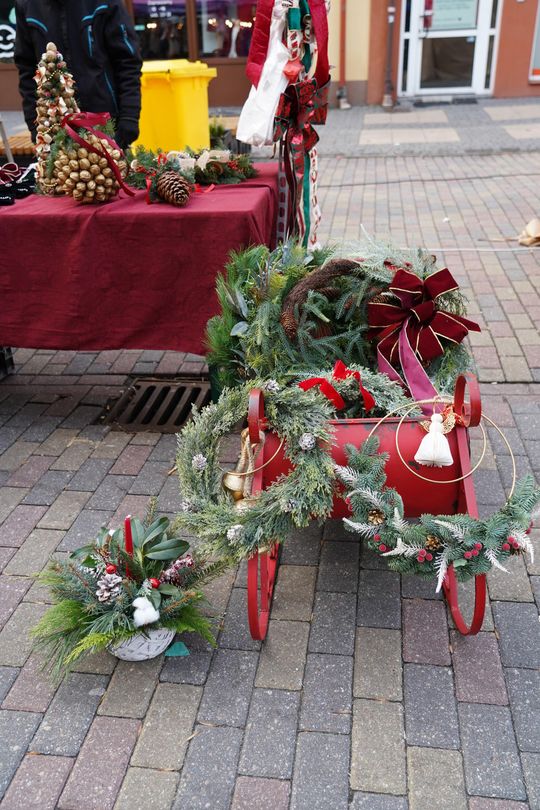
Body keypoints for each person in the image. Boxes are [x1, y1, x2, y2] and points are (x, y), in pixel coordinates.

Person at [14, 0, 142, 149]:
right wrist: (34, 123)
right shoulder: (27, 4)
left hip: (106, 124)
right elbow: (27, 69)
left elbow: (127, 61)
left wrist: (129, 117)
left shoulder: (105, 2)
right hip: (55, 130)